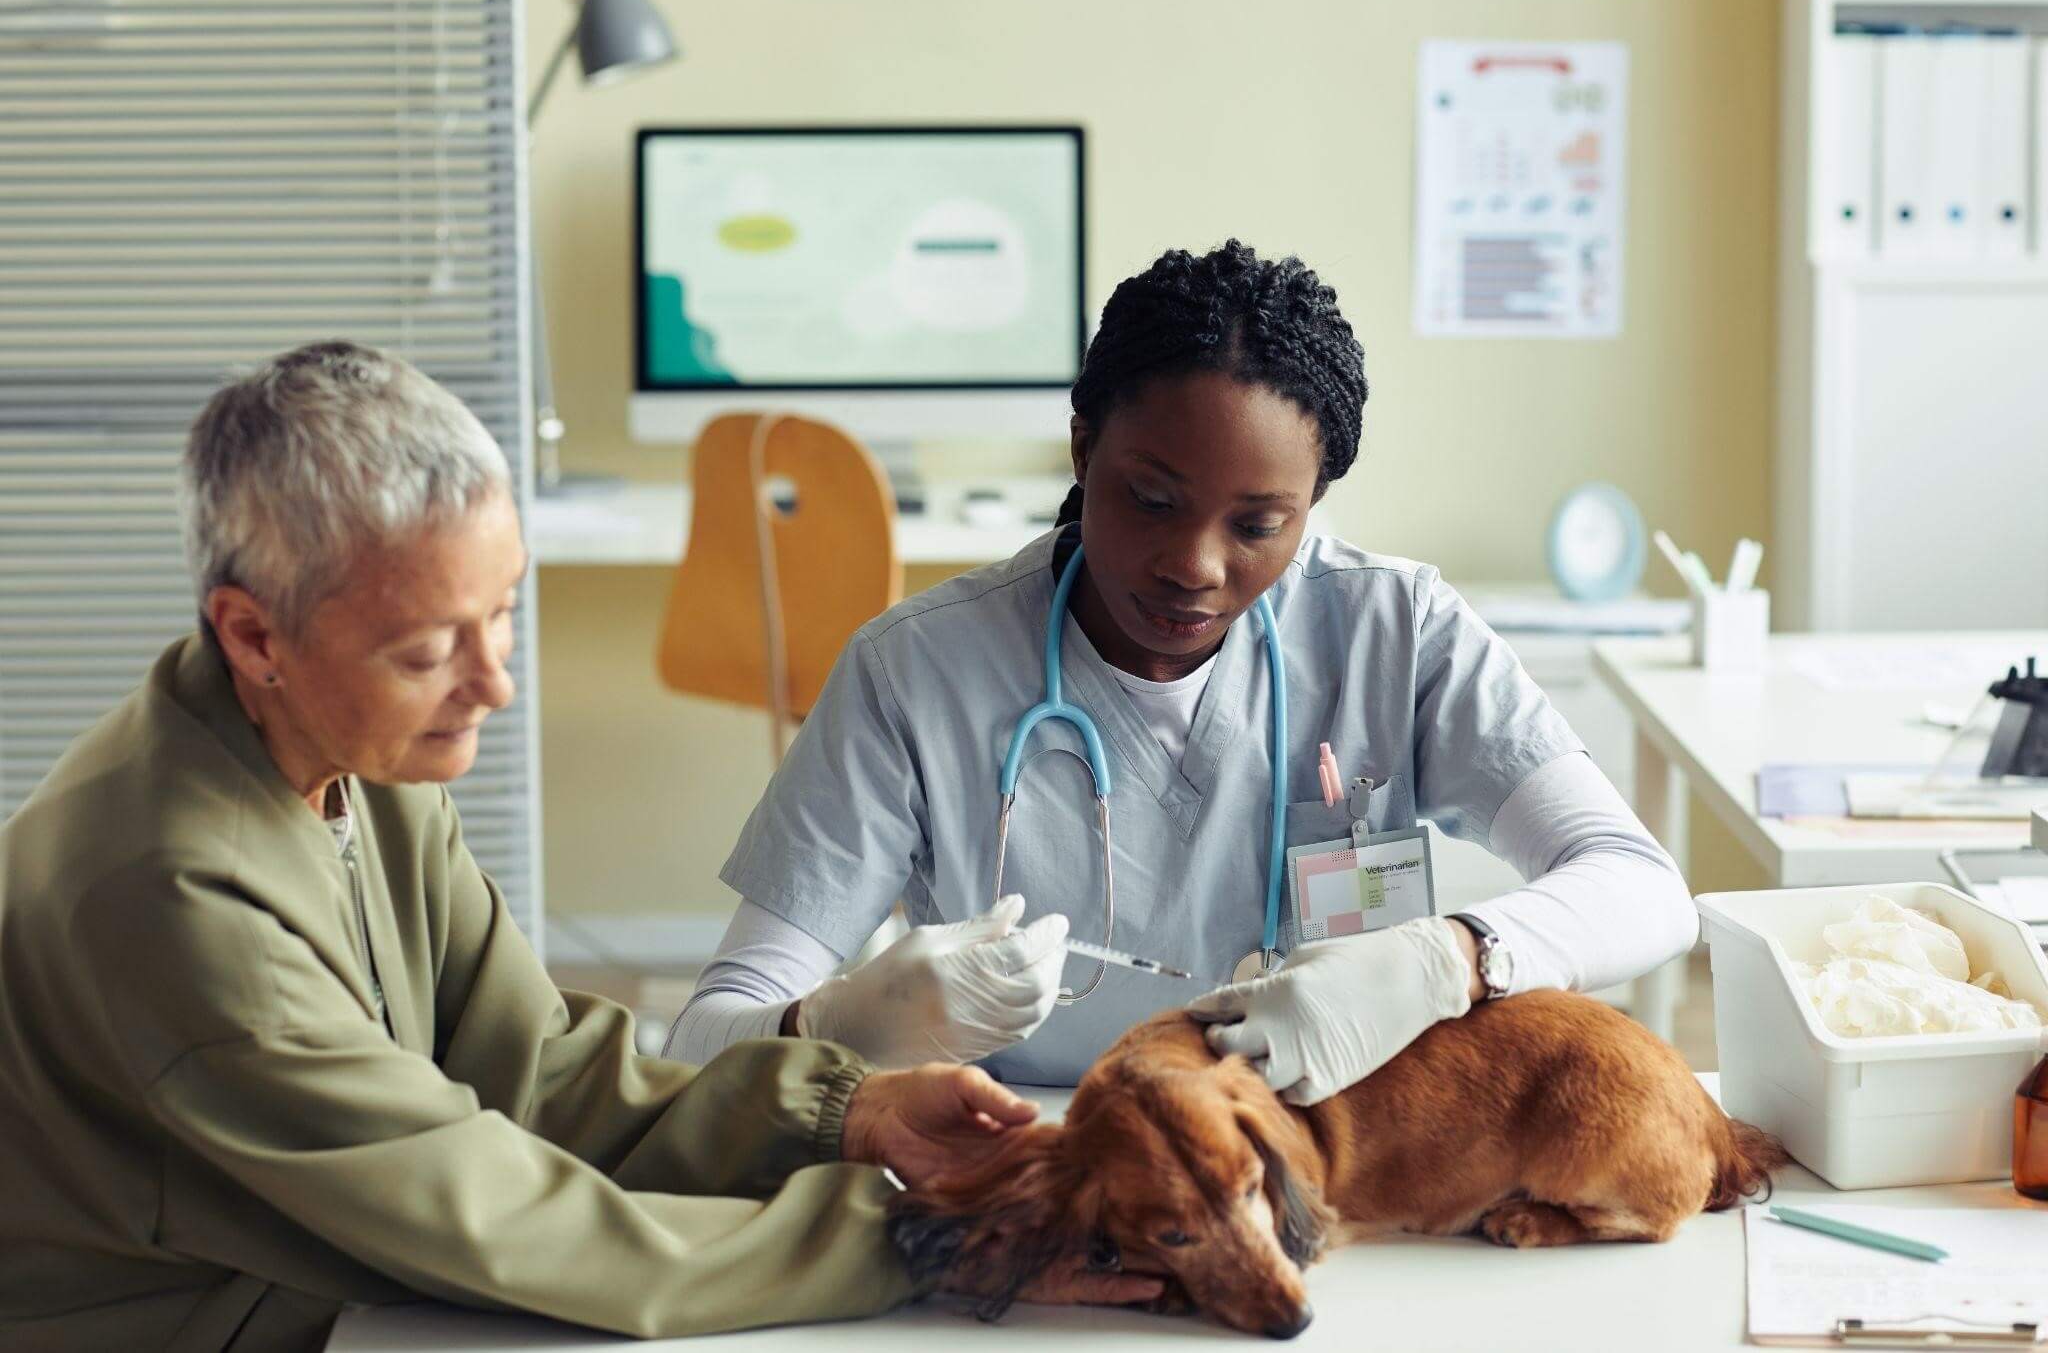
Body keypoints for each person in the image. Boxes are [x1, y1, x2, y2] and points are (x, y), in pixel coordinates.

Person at [0, 343, 1149, 1350]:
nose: (491, 683)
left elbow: (533, 1070)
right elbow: (504, 1220)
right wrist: (932, 1242)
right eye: (425, 651)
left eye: (502, 611)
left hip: (321, 1283)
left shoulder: (351, 754)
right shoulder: (177, 899)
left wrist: (839, 1114)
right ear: (254, 635)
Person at [668, 240, 1697, 1098]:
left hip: (1318, 1157)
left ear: (1313, 504)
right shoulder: (916, 676)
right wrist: (839, 1020)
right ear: (1081, 449)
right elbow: (692, 1047)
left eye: (1257, 525)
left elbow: (1643, 890)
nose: (1194, 567)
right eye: (1151, 500)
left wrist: (1445, 959)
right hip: (1030, 1164)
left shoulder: (1394, 629)